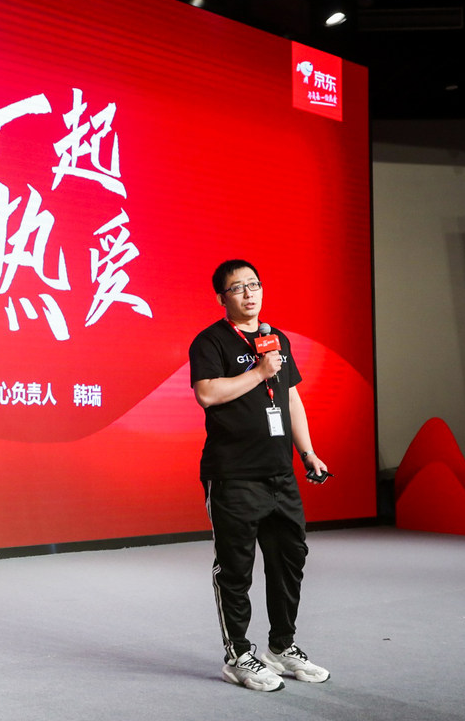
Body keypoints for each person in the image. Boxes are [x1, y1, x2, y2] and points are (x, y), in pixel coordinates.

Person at [188, 259, 331, 692]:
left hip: (279, 474)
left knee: (290, 561)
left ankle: (281, 646)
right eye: (238, 288)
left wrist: (307, 452)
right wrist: (258, 372)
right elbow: (207, 394)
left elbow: (290, 397)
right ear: (222, 297)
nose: (249, 293)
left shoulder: (277, 339)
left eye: (254, 284)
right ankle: (237, 655)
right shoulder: (210, 341)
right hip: (233, 475)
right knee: (236, 569)